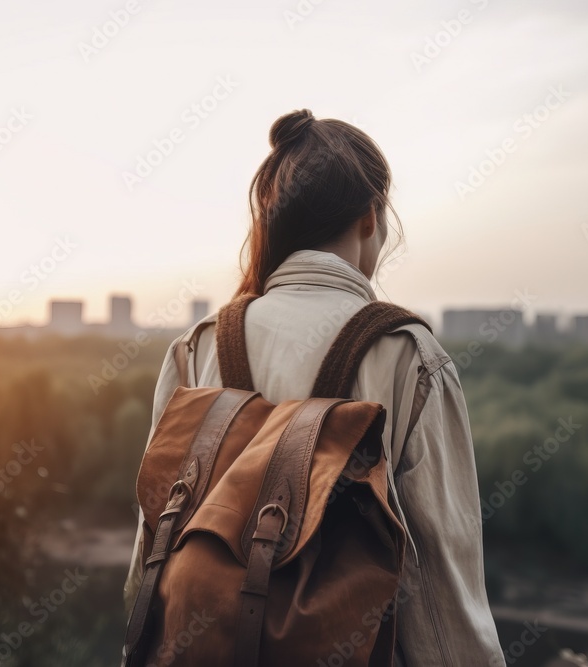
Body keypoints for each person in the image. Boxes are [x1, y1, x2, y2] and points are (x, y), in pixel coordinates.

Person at [123, 108, 505, 665]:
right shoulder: (408, 355)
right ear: (370, 218)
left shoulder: (199, 347)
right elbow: (440, 582)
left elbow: (151, 550)